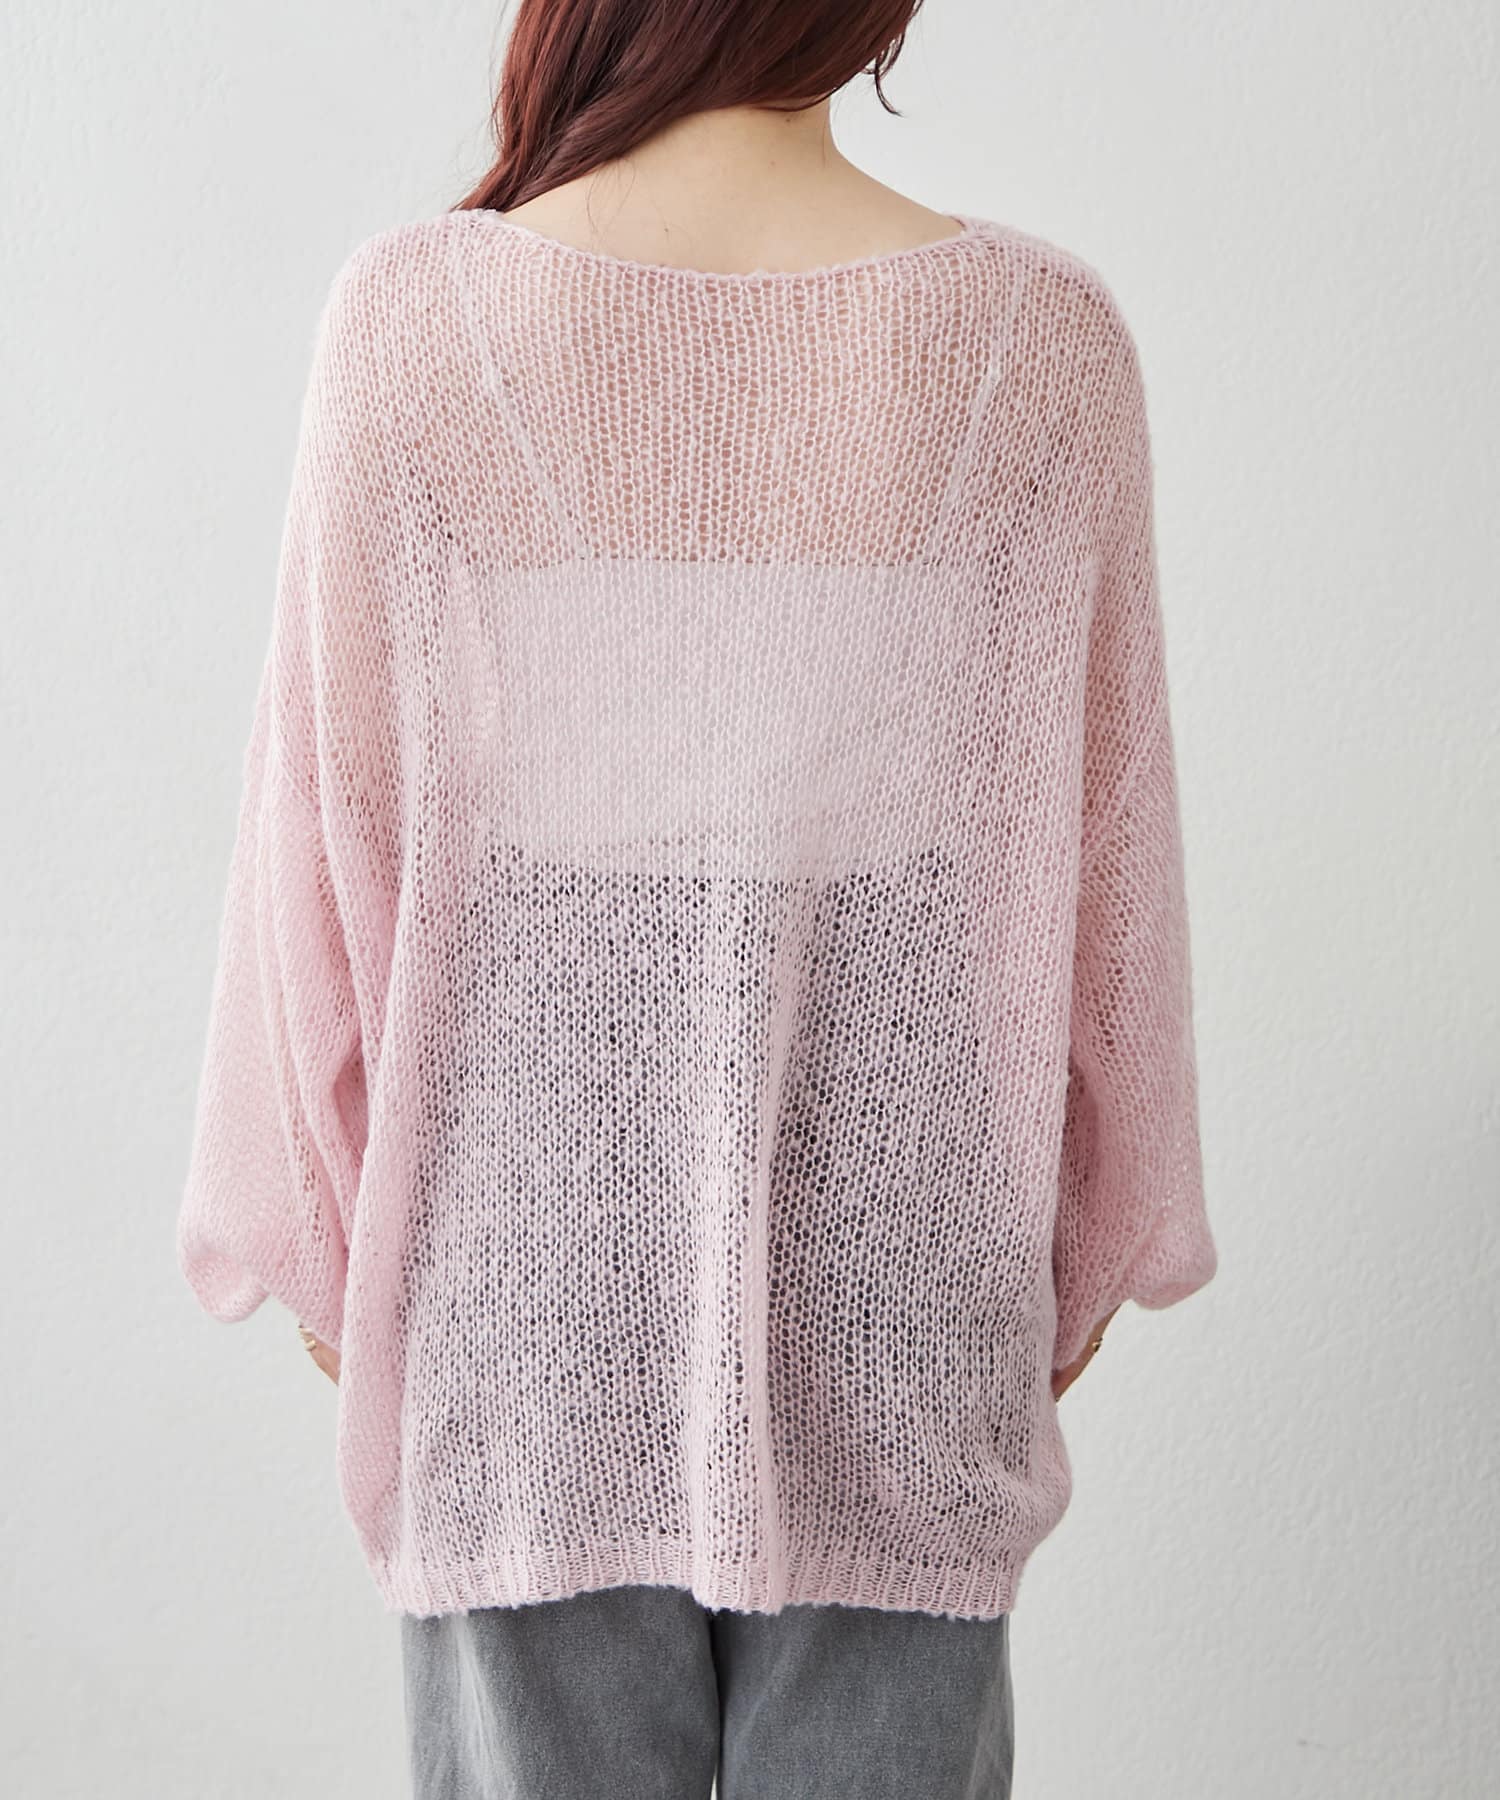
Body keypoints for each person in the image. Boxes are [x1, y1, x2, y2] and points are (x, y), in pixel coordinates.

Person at [177, 1, 1219, 1792]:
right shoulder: (1038, 339)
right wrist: (1074, 1233)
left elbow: (323, 856)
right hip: (904, 1252)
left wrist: (346, 1252)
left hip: (522, 1262)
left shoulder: (417, 318)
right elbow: (1104, 875)